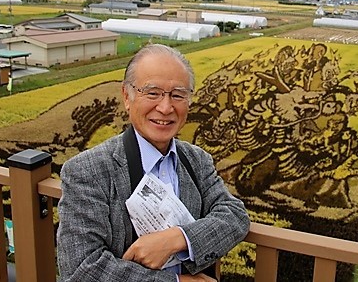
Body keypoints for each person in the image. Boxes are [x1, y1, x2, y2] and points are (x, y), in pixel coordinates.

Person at [57, 44, 250, 282]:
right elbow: (81, 269)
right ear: (127, 97)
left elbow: (234, 215)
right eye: (152, 92)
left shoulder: (196, 160)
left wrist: (177, 239)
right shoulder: (88, 170)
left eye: (178, 95)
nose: (166, 107)